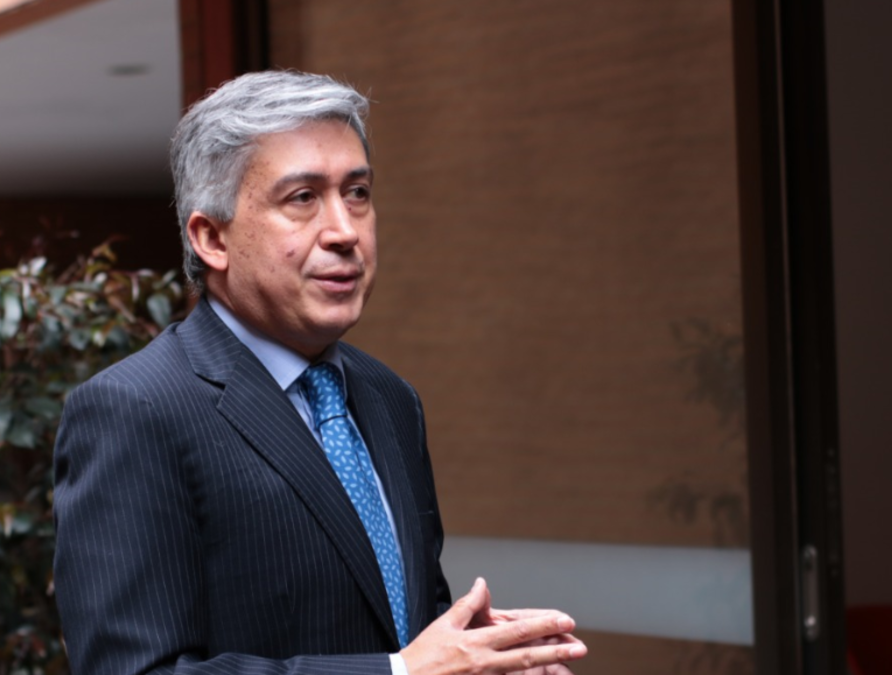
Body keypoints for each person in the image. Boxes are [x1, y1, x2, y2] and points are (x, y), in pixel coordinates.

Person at [53, 70, 587, 675]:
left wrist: (478, 659)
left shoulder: (389, 397)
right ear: (211, 238)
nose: (345, 231)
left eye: (357, 193)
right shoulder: (135, 410)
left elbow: (400, 627)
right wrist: (401, 673)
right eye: (302, 198)